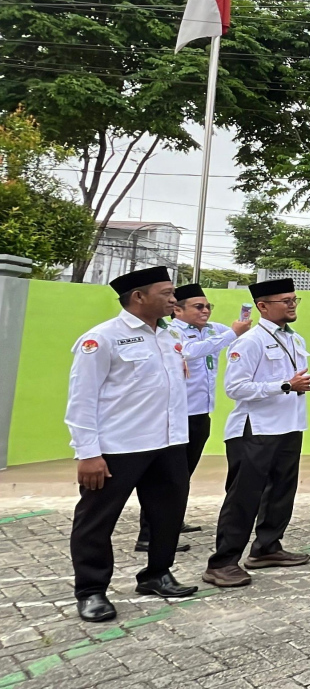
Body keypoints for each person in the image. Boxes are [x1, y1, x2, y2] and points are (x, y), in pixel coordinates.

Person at [65, 266, 197, 622]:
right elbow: (81, 400)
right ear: (138, 297)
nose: (174, 299)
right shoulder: (102, 338)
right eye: (166, 293)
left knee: (167, 515)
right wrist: (88, 453)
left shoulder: (168, 336)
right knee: (96, 521)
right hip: (118, 448)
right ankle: (91, 591)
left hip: (168, 443)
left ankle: (157, 574)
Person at [204, 279, 310, 587]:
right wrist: (286, 385)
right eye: (285, 300)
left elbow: (294, 380)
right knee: (244, 497)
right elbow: (235, 388)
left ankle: (267, 548)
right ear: (262, 306)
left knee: (281, 492)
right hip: (255, 429)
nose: (292, 304)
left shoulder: (295, 338)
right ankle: (222, 563)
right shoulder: (250, 342)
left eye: (294, 299)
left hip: (290, 425)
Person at [134, 283, 249, 553]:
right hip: (176, 414)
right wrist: (232, 333)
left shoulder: (213, 330)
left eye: (208, 306)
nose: (205, 311)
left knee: (183, 475)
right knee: (165, 477)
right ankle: (149, 535)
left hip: (200, 412)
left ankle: (172, 521)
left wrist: (241, 326)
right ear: (177, 310)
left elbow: (237, 338)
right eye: (198, 307)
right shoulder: (170, 331)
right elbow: (189, 351)